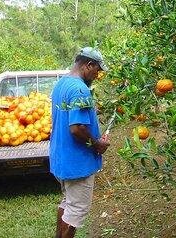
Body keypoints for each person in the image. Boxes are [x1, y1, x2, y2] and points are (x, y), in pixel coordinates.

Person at [50, 47, 110, 238]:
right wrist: (97, 144)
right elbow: (76, 128)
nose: (97, 75)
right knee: (76, 211)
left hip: (61, 158)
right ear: (88, 65)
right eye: (97, 70)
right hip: (77, 162)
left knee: (68, 204)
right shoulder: (80, 89)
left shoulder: (61, 84)